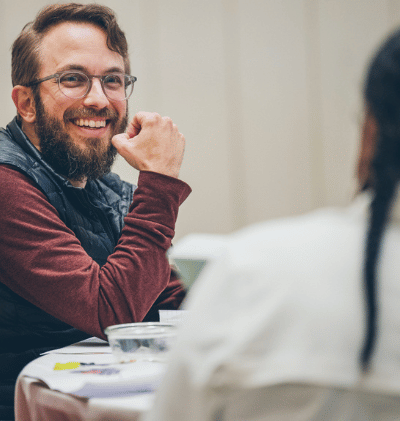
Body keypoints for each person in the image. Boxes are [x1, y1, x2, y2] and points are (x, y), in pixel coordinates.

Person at [0, 3, 191, 420]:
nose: (99, 100)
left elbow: (164, 298)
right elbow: (111, 310)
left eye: (112, 80)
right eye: (73, 79)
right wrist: (160, 182)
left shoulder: (94, 181)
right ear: (26, 103)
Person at [147, 29, 400, 421]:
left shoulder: (252, 272)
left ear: (370, 131)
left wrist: (158, 184)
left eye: (113, 80)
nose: (98, 99)